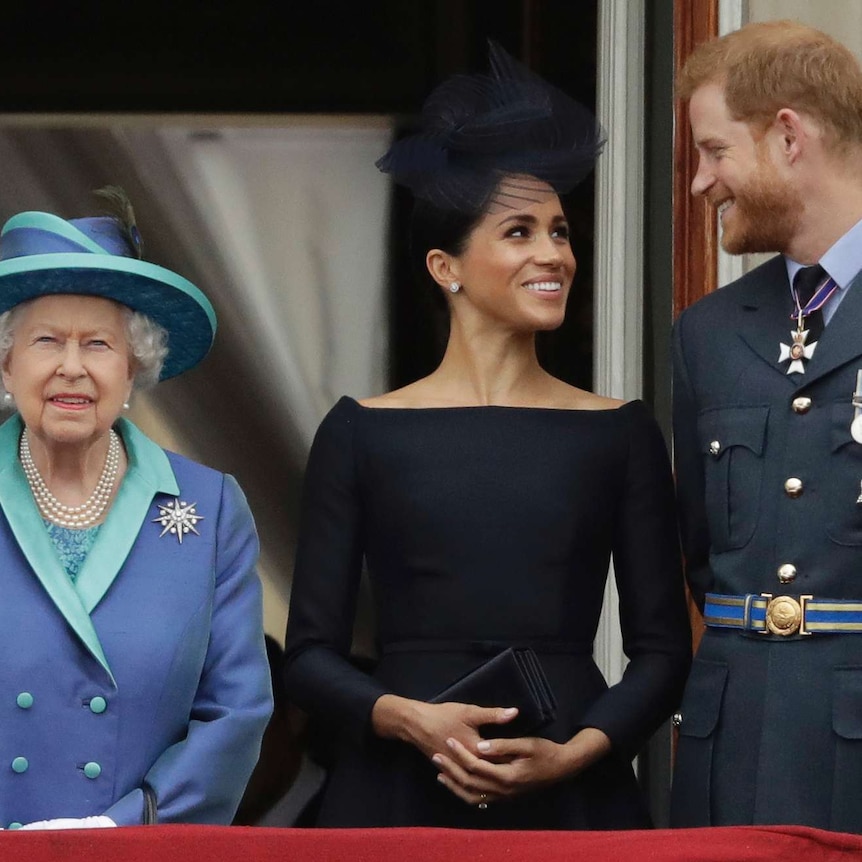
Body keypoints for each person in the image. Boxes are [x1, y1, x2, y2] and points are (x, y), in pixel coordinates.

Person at [283, 42, 691, 830]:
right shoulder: (359, 432)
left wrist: (576, 752)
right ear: (447, 267)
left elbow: (664, 653)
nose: (554, 255)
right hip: (396, 792)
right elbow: (308, 659)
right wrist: (409, 719)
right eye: (519, 232)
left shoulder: (620, 433)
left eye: (561, 231)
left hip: (573, 793)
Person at [0, 188, 272, 830]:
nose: (72, 368)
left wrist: (119, 829)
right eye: (45, 341)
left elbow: (236, 713)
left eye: (97, 344)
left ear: (133, 368)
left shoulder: (210, 509)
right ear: (6, 365)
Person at [671, 21, 862, 832]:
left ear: (788, 136)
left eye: (715, 152)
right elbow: (699, 557)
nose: (700, 184)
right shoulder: (708, 332)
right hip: (733, 742)